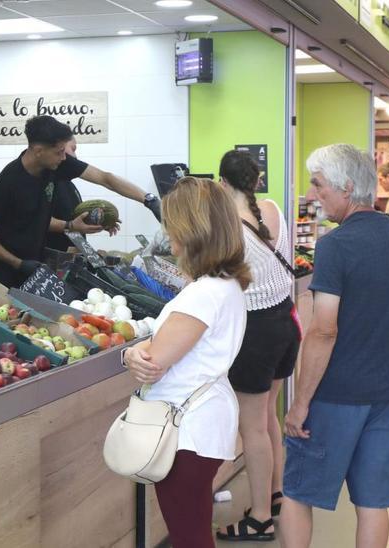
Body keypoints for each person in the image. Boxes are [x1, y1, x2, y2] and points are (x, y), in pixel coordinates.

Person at [279, 144, 389, 548]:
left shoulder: (335, 245)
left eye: (318, 185)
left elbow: (324, 330)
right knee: (372, 502)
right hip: (388, 393)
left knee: (298, 494)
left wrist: (299, 404)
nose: (314, 195)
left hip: (334, 395)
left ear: (347, 187)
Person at [121, 177, 250, 548]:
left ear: (191, 230)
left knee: (188, 534)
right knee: (193, 526)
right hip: (203, 423)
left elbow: (153, 361)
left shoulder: (203, 294)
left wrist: (131, 353)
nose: (167, 233)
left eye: (172, 223)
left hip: (187, 431)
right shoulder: (224, 284)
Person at [212, 151, 300, 542]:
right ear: (257, 178)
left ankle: (260, 517)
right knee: (268, 419)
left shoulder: (226, 226)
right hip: (286, 324)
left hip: (255, 333)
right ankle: (276, 494)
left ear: (221, 181)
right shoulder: (271, 208)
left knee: (252, 428)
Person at [0, 116, 108, 287]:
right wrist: (18, 263)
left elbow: (105, 178)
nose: (64, 158)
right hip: (1, 275)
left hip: (32, 271)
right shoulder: (6, 183)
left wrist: (147, 200)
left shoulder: (50, 168)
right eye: (59, 152)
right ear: (38, 151)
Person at [44, 135, 163, 252]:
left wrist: (99, 220)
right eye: (73, 149)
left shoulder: (67, 184)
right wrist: (150, 201)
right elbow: (107, 179)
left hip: (71, 254)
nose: (75, 156)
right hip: (50, 255)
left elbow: (72, 215)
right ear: (58, 147)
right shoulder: (41, 179)